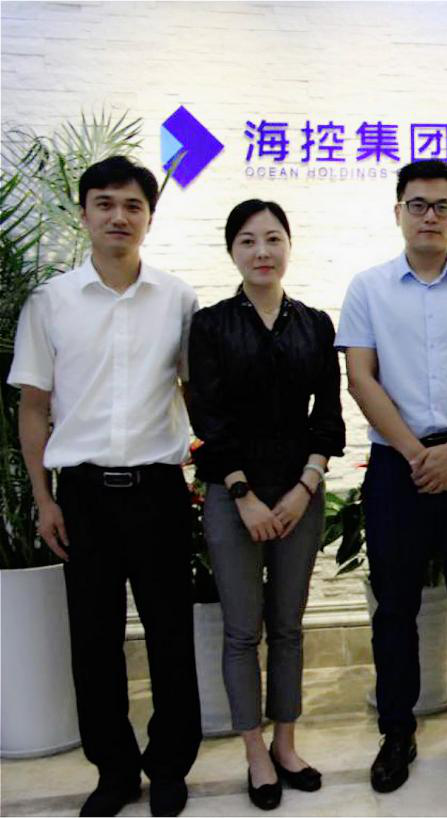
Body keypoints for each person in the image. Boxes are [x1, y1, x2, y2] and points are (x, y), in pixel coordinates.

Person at [9, 156, 201, 817]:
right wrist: (43, 498)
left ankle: (169, 767)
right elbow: (33, 405)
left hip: (158, 490)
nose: (119, 216)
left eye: (133, 205)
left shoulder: (178, 300)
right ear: (85, 211)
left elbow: (194, 393)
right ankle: (114, 772)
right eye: (105, 203)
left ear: (150, 217)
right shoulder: (51, 302)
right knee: (93, 641)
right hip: (83, 495)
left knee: (170, 634)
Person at [335, 160, 447, 790]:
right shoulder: (368, 288)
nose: (430, 216)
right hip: (397, 465)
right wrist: (418, 453)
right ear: (398, 213)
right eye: (417, 204)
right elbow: (360, 378)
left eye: (443, 206)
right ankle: (397, 732)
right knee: (395, 606)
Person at [186, 200, 344, 809]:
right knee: (240, 630)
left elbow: (327, 417)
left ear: (289, 246)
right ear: (232, 251)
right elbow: (209, 419)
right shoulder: (211, 325)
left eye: (273, 239)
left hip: (300, 493)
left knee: (288, 627)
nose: (262, 252)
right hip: (234, 497)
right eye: (248, 241)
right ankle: (254, 752)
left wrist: (306, 486)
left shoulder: (315, 324)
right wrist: (244, 495)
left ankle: (286, 744)